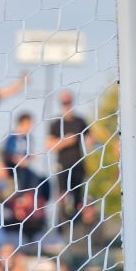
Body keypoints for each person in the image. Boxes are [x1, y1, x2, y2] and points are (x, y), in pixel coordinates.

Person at [45, 90, 93, 222]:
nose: (67, 105)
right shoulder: (56, 124)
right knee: (62, 197)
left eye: (69, 102)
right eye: (64, 102)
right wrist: (65, 141)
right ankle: (61, 226)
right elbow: (49, 146)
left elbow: (90, 140)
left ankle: (78, 229)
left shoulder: (80, 121)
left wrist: (92, 141)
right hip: (63, 166)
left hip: (78, 164)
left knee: (79, 197)